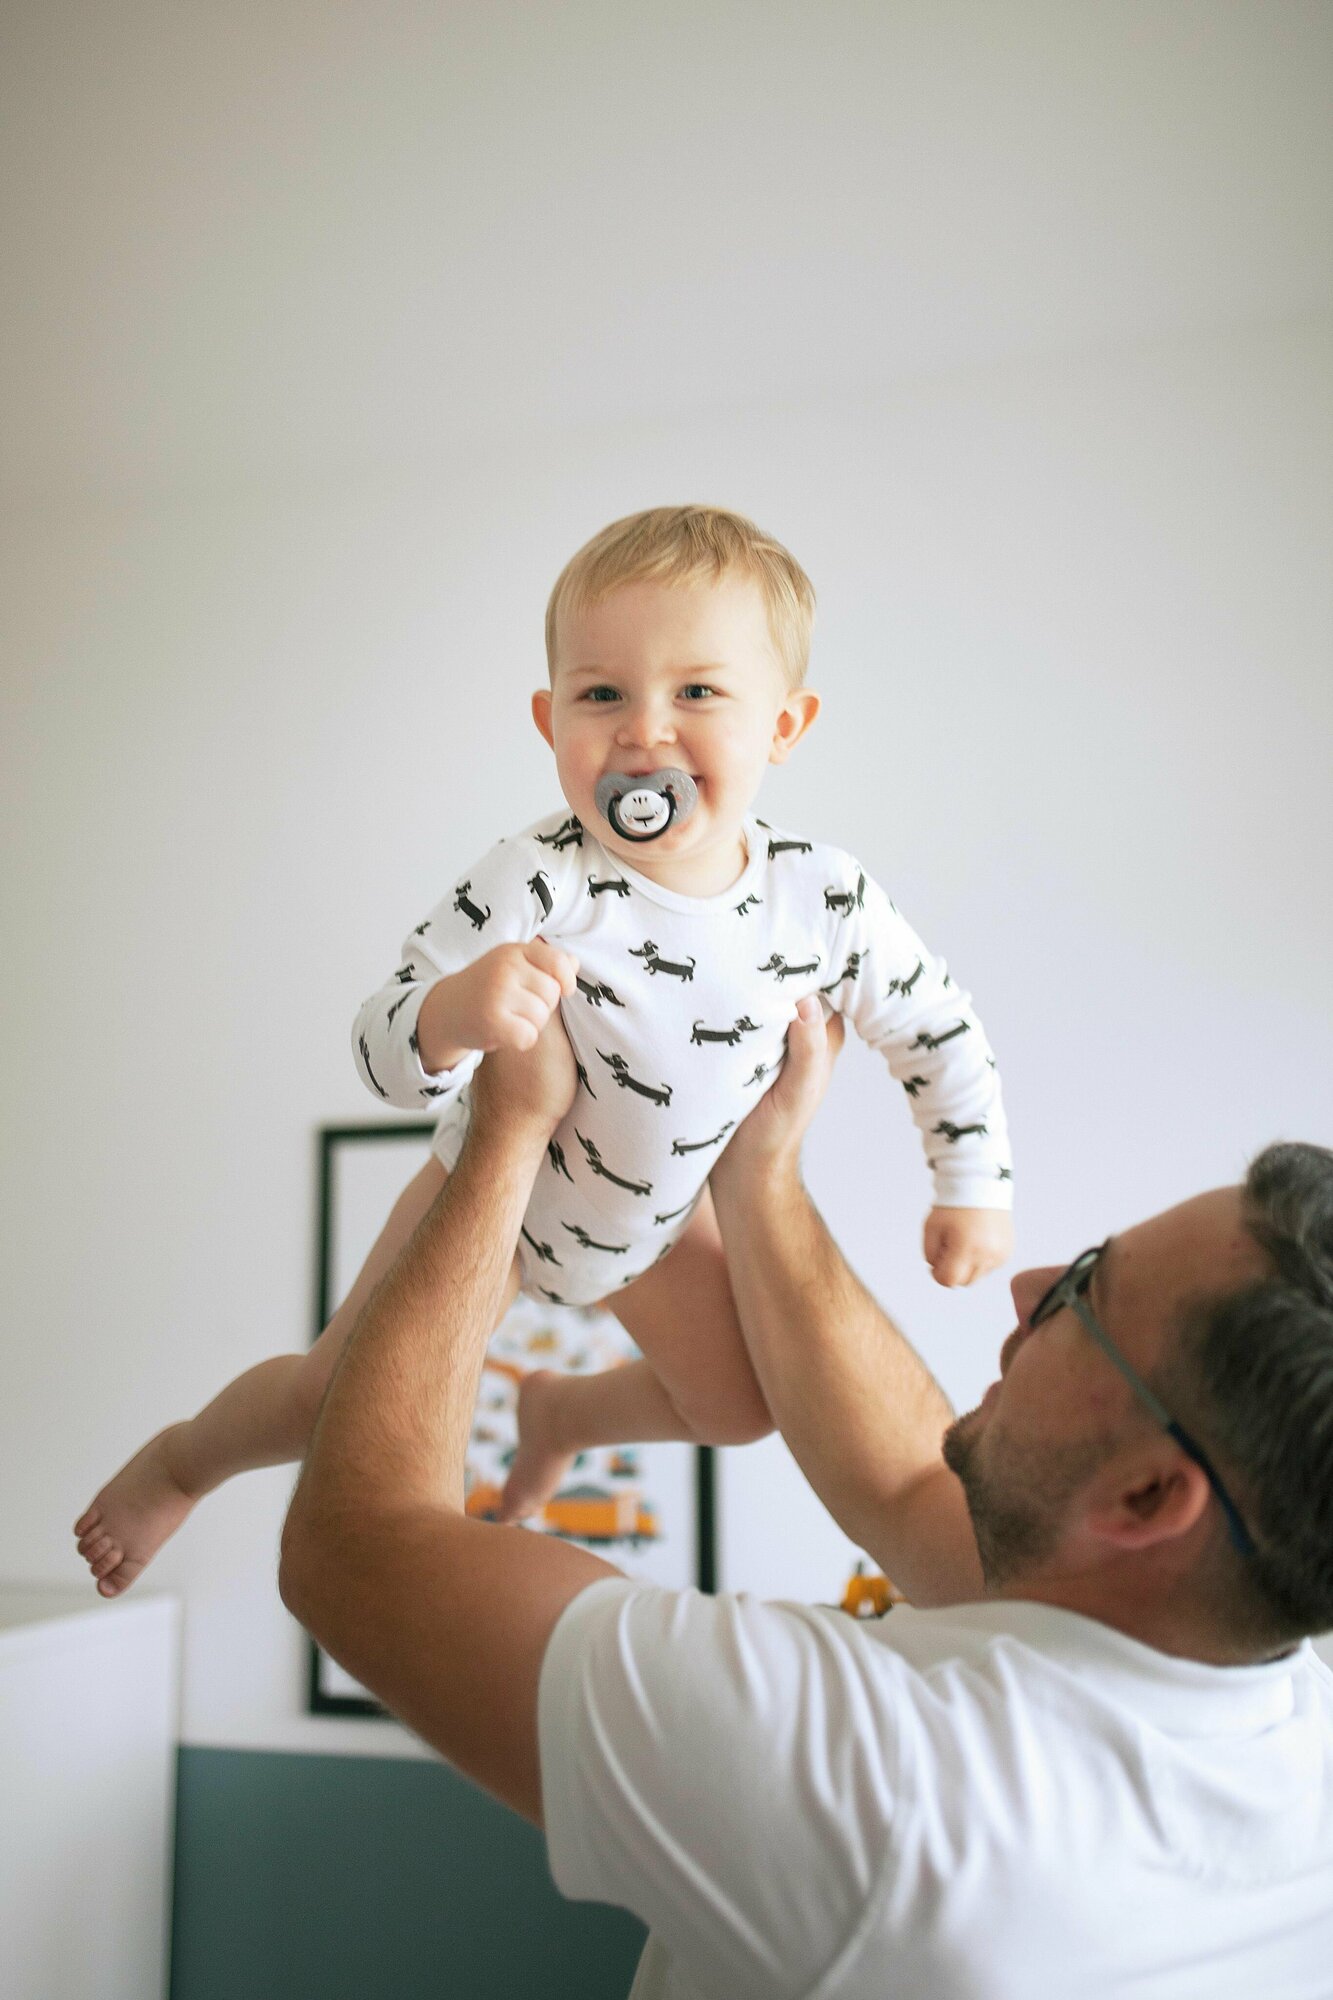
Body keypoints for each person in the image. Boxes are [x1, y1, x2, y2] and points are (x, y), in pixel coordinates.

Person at [279, 1002, 1333, 1999]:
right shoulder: (1271, 1697)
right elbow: (910, 1482)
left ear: (1147, 1494)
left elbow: (358, 1547)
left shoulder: (903, 1805)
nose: (1029, 1281)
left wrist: (508, 1138)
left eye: (1084, 1290)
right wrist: (762, 1171)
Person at [74, 506, 1011, 1595]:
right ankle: (185, 1460)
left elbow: (936, 1025)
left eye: (697, 692)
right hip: (496, 1203)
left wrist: (971, 1182)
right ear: (549, 716)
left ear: (783, 726)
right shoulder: (537, 875)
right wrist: (455, 1012)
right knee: (331, 1401)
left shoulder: (824, 899)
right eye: (601, 693)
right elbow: (380, 1038)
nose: (644, 731)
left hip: (653, 1229)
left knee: (737, 1406)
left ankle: (561, 1411)